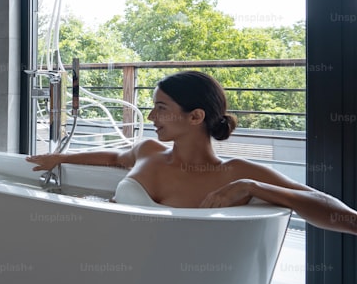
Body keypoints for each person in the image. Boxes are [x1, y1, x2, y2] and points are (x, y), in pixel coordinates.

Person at [25, 70, 357, 235]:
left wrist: (255, 188)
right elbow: (112, 158)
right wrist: (60, 158)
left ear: (195, 116)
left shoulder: (236, 174)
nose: (152, 117)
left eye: (161, 108)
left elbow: (339, 212)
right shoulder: (148, 150)